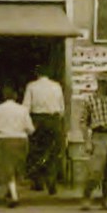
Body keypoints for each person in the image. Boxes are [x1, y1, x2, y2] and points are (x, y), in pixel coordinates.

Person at [79, 71, 107, 210]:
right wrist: (87, 141)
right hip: (99, 136)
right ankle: (87, 197)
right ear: (100, 83)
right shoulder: (89, 100)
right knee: (95, 170)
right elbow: (83, 122)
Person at [0, 86, 35, 208]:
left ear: (4, 97)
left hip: (4, 140)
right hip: (21, 140)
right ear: (15, 96)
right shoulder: (23, 110)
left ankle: (13, 195)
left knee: (7, 169)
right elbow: (30, 129)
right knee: (17, 168)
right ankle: (12, 192)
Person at [23, 64, 65, 195]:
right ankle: (51, 182)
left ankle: (38, 182)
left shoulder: (31, 86)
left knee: (37, 151)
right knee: (53, 152)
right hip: (54, 120)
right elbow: (62, 108)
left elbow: (26, 107)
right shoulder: (57, 86)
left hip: (38, 120)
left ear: (37, 74)